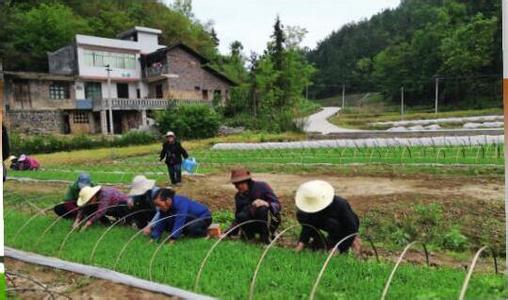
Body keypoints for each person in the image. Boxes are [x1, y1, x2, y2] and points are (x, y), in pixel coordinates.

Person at [294, 180, 361, 254]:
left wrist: (339, 248)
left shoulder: (340, 204)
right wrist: (301, 242)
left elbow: (351, 228)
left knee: (331, 223)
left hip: (343, 227)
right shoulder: (310, 209)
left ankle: (343, 241)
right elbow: (308, 225)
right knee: (302, 215)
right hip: (323, 221)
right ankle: (319, 242)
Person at [225, 167, 281, 244]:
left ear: (245, 182)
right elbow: (238, 217)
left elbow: (277, 205)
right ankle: (250, 237)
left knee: (262, 209)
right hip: (251, 225)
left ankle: (266, 238)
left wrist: (267, 203)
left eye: (238, 184)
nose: (236, 187)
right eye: (235, 185)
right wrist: (228, 232)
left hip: (268, 221)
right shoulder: (238, 196)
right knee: (242, 215)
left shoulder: (262, 187)